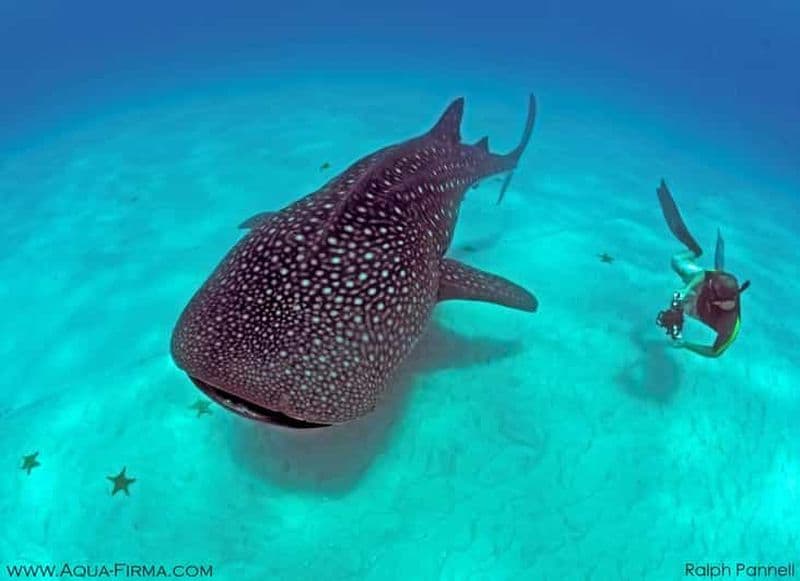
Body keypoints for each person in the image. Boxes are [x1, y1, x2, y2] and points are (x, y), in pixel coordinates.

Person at [655, 179, 750, 358]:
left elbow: (714, 352)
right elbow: (704, 275)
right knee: (676, 261)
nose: (709, 285)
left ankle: (682, 313)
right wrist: (686, 289)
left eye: (711, 289)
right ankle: (695, 251)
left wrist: (685, 345)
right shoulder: (725, 280)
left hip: (702, 312)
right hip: (704, 299)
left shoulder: (730, 326)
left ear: (721, 302)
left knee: (681, 306)